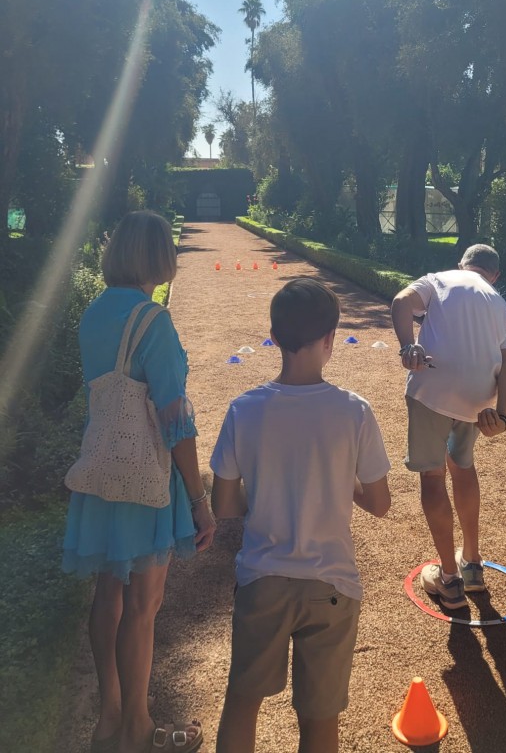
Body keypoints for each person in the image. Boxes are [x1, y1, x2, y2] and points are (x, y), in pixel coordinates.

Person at [211, 278, 391, 753]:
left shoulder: (243, 409)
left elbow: (225, 505)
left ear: (274, 334)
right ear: (330, 339)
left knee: (242, 700)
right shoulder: (354, 411)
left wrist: (268, 492)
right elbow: (379, 503)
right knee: (319, 719)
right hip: (331, 584)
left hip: (262, 579)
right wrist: (337, 480)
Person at [63, 211, 215, 753]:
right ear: (157, 257)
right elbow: (175, 418)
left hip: (101, 469)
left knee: (109, 592)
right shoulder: (153, 320)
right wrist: (199, 498)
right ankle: (139, 728)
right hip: (144, 473)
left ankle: (108, 718)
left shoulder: (94, 313)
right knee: (144, 606)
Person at [391, 243, 506, 609]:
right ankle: (473, 564)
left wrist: (407, 347)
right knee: (462, 466)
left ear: (462, 265)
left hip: (432, 388)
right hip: (476, 404)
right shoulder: (503, 307)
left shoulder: (440, 278)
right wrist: (504, 417)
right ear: (494, 275)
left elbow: (402, 301)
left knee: (433, 477)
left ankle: (449, 578)